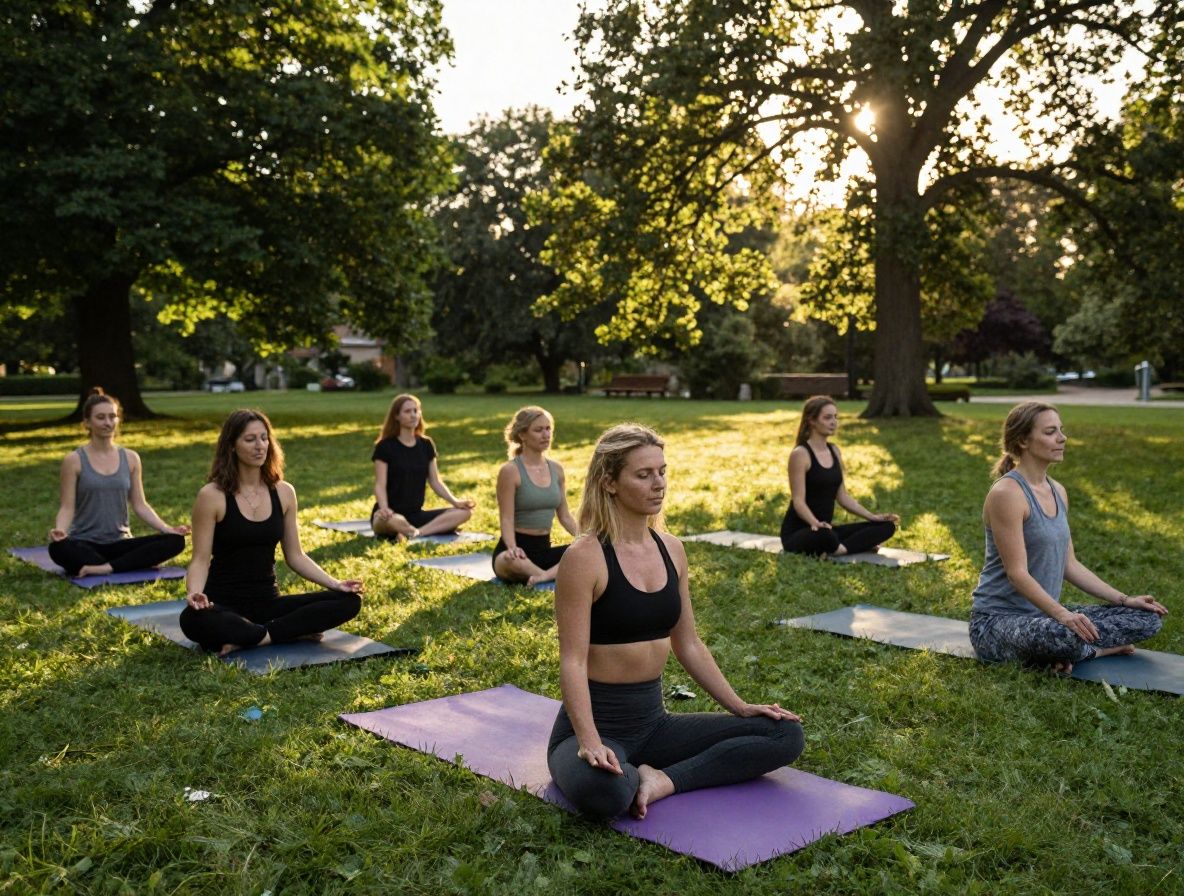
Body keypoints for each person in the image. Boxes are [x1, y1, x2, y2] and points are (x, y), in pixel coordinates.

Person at [548, 423, 805, 820]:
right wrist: (589, 741)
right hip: (597, 727)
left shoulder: (672, 549)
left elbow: (689, 644)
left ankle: (663, 780)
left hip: (654, 724)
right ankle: (628, 774)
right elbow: (572, 661)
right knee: (609, 795)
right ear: (609, 482)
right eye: (643, 474)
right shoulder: (585, 557)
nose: (659, 484)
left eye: (662, 471)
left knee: (784, 734)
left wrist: (739, 707)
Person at [969, 402, 1166, 673]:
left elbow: (1069, 565)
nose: (1062, 438)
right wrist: (1063, 615)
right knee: (1066, 635)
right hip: (997, 623)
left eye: (1061, 430)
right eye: (1050, 432)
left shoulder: (1058, 491)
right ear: (1023, 440)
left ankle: (1062, 653)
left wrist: (1124, 599)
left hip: (1044, 616)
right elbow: (1017, 574)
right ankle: (1098, 650)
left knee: (1147, 618)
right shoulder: (1007, 494)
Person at [180, 409, 363, 656]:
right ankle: (282, 632)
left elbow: (295, 556)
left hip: (269, 603)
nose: (260, 446)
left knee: (348, 602)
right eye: (250, 439)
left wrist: (336, 584)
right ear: (231, 446)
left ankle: (254, 636)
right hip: (223, 605)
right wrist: (195, 594)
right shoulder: (212, 496)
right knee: (192, 619)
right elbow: (200, 559)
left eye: (264, 438)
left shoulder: (284, 492)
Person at [47, 387, 188, 577]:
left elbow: (140, 504)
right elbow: (67, 507)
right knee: (58, 549)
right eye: (100, 417)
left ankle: (104, 568)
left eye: (112, 416)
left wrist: (167, 529)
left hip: (121, 543)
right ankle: (121, 565)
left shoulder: (131, 458)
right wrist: (60, 531)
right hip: (85, 543)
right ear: (87, 423)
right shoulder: (74, 460)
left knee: (175, 541)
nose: (108, 423)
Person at [780, 395, 899, 556]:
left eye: (836, 417)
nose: (834, 422)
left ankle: (839, 548)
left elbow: (842, 497)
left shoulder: (834, 451)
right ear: (812, 421)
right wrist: (815, 523)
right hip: (802, 532)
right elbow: (798, 502)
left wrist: (872, 517)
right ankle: (843, 547)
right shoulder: (800, 454)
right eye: (827, 417)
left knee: (887, 527)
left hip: (827, 528)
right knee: (825, 535)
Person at [492, 406, 579, 586]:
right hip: (514, 552)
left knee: (591, 550)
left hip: (543, 550)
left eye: (548, 429)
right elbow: (506, 518)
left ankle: (543, 577)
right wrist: (512, 547)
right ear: (522, 435)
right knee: (513, 561)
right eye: (538, 430)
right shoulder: (510, 471)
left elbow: (564, 516)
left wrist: (585, 538)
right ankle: (551, 576)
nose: (546, 435)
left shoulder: (556, 469)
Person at [370, 394, 474, 540]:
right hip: (390, 514)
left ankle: (416, 533)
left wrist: (455, 502)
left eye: (416, 410)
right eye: (407, 411)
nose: (413, 415)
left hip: (416, 515)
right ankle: (408, 530)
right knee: (390, 520)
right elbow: (380, 484)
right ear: (396, 416)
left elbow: (435, 481)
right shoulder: (385, 447)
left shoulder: (426, 444)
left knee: (465, 513)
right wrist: (384, 508)